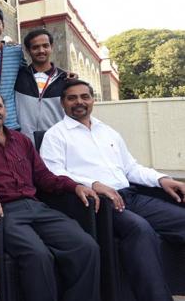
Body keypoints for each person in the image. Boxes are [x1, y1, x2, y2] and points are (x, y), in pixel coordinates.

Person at [40, 79, 185, 301]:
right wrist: (93, 184)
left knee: (181, 219)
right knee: (140, 229)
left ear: (93, 100)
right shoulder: (55, 135)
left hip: (131, 196)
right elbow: (54, 173)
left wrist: (162, 179)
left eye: (84, 97)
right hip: (99, 204)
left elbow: (131, 168)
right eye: (72, 98)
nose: (79, 102)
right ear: (62, 103)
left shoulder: (107, 131)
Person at [0, 90, 100, 301]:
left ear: (5, 110)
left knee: (86, 246)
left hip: (36, 206)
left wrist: (75, 186)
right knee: (37, 255)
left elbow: (44, 177)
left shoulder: (21, 140)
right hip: (4, 212)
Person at [15, 29, 69, 143]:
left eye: (45, 46)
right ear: (28, 50)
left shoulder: (65, 79)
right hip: (24, 143)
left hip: (56, 142)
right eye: (35, 47)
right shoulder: (18, 76)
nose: (41, 50)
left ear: (51, 46)